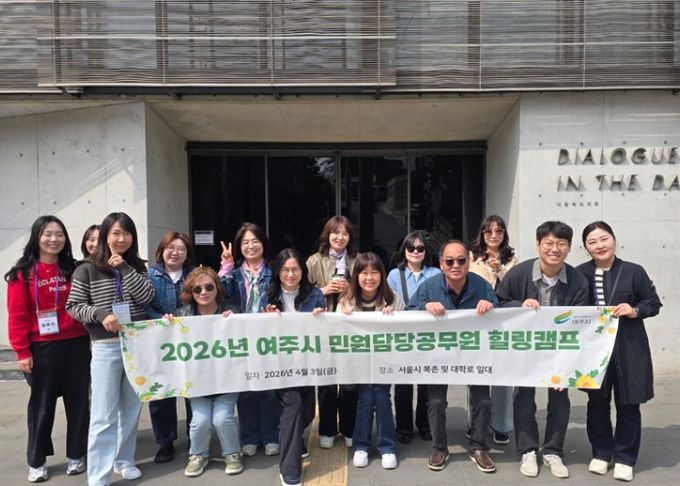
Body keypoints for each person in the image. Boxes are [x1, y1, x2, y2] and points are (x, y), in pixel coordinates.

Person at [66, 212, 155, 486]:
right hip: (105, 347)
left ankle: (124, 460)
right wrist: (101, 314)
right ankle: (99, 475)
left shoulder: (137, 266)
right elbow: (73, 306)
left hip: (136, 346)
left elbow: (147, 297)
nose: (121, 239)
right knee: (103, 415)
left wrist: (125, 268)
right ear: (105, 235)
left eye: (127, 233)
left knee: (131, 410)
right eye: (116, 233)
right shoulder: (86, 268)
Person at [496, 221, 588, 479]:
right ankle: (527, 450)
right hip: (524, 350)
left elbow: (582, 322)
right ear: (538, 244)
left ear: (569, 247)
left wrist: (570, 360)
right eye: (548, 243)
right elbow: (499, 301)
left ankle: (553, 451)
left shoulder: (578, 281)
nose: (554, 249)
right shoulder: (519, 274)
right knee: (523, 398)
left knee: (559, 399)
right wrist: (518, 304)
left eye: (561, 244)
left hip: (559, 351)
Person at [5, 215, 90, 483]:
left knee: (79, 403)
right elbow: (17, 316)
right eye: (48, 234)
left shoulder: (74, 269)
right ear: (37, 237)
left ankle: (76, 454)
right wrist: (22, 351)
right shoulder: (22, 274)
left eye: (59, 234)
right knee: (41, 406)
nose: (54, 239)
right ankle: (37, 461)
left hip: (77, 344)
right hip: (42, 348)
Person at [576, 222, 662, 482]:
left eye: (604, 239)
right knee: (596, 403)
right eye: (592, 242)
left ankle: (625, 458)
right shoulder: (580, 274)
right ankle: (601, 453)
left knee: (629, 404)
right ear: (586, 248)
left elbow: (653, 303)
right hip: (594, 351)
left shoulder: (634, 271)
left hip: (629, 347)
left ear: (614, 239)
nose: (600, 245)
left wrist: (635, 310)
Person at [407, 240, 498, 474]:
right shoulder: (429, 287)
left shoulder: (481, 285)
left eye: (461, 260)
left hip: (474, 354)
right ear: (441, 264)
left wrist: (491, 305)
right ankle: (439, 447)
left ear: (468, 262)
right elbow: (408, 313)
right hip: (439, 356)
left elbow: (501, 310)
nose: (455, 265)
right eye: (449, 261)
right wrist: (425, 307)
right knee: (436, 402)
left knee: (483, 401)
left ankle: (478, 447)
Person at [163, 267, 242, 477]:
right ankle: (198, 455)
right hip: (198, 384)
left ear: (217, 288)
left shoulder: (232, 311)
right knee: (200, 421)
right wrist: (166, 325)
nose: (203, 292)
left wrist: (235, 321)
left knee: (222, 419)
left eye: (208, 287)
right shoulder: (181, 315)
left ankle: (232, 453)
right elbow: (167, 341)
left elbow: (245, 337)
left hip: (226, 382)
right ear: (190, 292)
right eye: (197, 289)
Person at [264, 249, 326, 486]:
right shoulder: (268, 294)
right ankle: (289, 471)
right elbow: (253, 326)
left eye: (295, 269)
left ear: (303, 271)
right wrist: (265, 317)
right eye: (285, 270)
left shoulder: (315, 294)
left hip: (307, 365)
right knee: (293, 405)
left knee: (307, 411)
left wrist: (321, 316)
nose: (290, 274)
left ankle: (295, 437)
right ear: (277, 272)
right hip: (280, 365)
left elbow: (324, 329)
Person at [219, 222, 281, 457]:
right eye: (245, 242)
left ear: (263, 244)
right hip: (242, 338)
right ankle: (249, 437)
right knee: (246, 389)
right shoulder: (234, 273)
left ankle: (270, 436)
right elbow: (221, 295)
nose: (251, 246)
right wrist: (225, 266)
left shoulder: (274, 271)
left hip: (268, 337)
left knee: (269, 389)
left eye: (255, 241)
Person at [338, 252, 403, 470]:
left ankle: (387, 447)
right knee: (365, 398)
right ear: (356, 276)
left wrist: (395, 316)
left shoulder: (392, 298)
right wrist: (343, 318)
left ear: (381, 275)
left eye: (374, 272)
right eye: (364, 273)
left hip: (385, 361)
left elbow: (405, 327)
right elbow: (336, 331)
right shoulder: (346, 300)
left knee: (382, 397)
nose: (369, 278)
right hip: (358, 363)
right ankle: (361, 446)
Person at [305, 215, 359, 449]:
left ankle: (349, 429)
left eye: (345, 233)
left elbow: (371, 287)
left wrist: (351, 289)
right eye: (335, 232)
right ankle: (327, 429)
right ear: (327, 235)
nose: (340, 237)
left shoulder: (357, 260)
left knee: (349, 383)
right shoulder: (314, 261)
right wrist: (323, 290)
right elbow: (302, 293)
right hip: (323, 328)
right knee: (326, 381)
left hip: (350, 329)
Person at [145, 231, 195, 463]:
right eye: (170, 248)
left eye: (181, 249)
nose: (175, 253)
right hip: (160, 342)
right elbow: (142, 305)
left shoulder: (194, 275)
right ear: (161, 251)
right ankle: (165, 442)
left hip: (189, 342)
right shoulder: (149, 276)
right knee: (162, 392)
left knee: (192, 390)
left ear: (187, 253)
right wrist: (159, 318)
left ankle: (195, 437)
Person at [467, 215, 518, 446]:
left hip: (503, 323)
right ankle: (475, 423)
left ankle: (501, 425)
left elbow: (513, 289)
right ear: (482, 234)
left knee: (503, 375)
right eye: (488, 231)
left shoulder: (512, 260)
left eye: (499, 231)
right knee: (475, 374)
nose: (494, 235)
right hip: (477, 321)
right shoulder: (471, 257)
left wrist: (499, 271)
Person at [386, 231, 440, 444]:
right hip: (404, 335)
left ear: (426, 251)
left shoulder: (436, 273)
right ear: (404, 251)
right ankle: (404, 426)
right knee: (403, 382)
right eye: (411, 248)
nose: (415, 252)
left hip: (428, 335)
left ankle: (424, 424)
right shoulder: (394, 275)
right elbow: (390, 301)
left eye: (420, 248)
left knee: (426, 381)